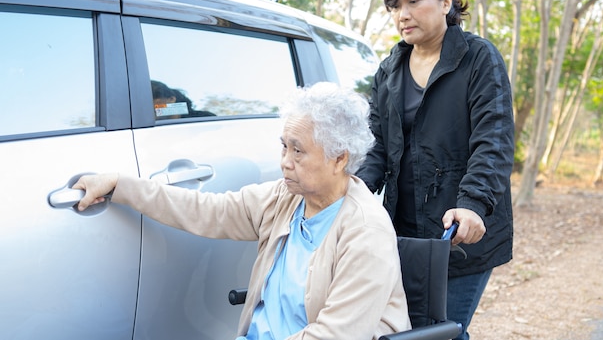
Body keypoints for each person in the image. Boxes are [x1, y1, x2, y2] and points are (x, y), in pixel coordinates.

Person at [74, 82, 411, 340]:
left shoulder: (366, 231)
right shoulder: (286, 198)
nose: (284, 161)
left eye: (298, 151)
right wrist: (120, 185)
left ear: (340, 158)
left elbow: (335, 336)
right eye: (283, 146)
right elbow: (205, 210)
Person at [356, 0, 514, 340]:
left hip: (459, 233)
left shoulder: (478, 58)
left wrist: (474, 204)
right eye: (394, 7)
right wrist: (350, 194)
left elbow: (493, 139)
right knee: (406, 330)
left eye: (413, 1)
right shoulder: (389, 69)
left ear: (446, 2)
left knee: (440, 332)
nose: (402, 15)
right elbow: (376, 146)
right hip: (402, 232)